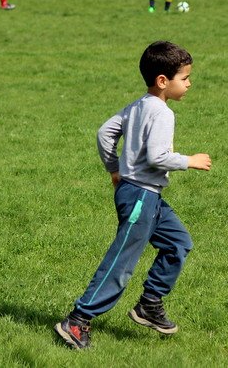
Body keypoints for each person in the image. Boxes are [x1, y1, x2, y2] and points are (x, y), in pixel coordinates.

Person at [54, 40, 213, 350]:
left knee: (178, 242)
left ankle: (149, 304)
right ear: (163, 81)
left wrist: (114, 168)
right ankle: (77, 320)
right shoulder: (163, 113)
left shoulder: (139, 104)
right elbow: (156, 157)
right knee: (122, 261)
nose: (190, 83)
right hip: (140, 196)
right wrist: (188, 160)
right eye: (185, 78)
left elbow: (105, 132)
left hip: (146, 195)